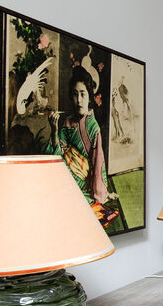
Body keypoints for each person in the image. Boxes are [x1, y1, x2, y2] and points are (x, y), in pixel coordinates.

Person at [46, 66, 122, 229]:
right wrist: (54, 130)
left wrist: (101, 194)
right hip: (65, 177)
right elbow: (57, 157)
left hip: (85, 184)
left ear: (89, 97)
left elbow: (98, 164)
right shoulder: (67, 122)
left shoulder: (93, 127)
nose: (79, 100)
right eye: (75, 94)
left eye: (82, 94)